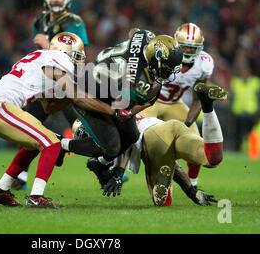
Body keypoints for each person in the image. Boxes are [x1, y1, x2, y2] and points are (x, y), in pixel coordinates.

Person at [0, 32, 120, 208]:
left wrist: (69, 95)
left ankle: (0, 190)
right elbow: (78, 98)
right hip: (0, 105)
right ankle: (36, 197)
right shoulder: (60, 59)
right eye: (77, 57)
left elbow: (48, 107)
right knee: (52, 143)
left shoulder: (42, 58)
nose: (78, 62)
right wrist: (111, 110)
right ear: (69, 52)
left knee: (35, 143)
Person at [58, 30, 184, 180]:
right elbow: (127, 107)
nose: (167, 74)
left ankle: (99, 163)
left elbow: (133, 32)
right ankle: (61, 144)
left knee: (131, 135)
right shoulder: (138, 83)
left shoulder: (145, 36)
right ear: (155, 58)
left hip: (103, 79)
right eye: (165, 68)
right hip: (91, 94)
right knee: (111, 146)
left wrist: (133, 56)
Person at [90, 82, 227, 206]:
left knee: (163, 202)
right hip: (172, 126)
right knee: (212, 158)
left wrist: (118, 174)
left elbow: (125, 141)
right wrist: (191, 191)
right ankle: (208, 106)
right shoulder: (122, 109)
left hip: (151, 138)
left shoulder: (111, 118)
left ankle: (163, 174)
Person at [12, 0, 89, 190]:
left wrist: (48, 45)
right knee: (30, 125)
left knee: (85, 124)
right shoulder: (40, 19)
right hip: (45, 82)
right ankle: (20, 176)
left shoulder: (74, 22)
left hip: (66, 82)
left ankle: (106, 165)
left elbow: (80, 53)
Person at [138, 23, 213, 187]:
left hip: (174, 103)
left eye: (193, 49)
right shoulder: (165, 52)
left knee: (195, 141)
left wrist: (186, 124)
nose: (188, 51)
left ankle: (192, 183)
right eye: (185, 47)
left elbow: (198, 99)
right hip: (152, 101)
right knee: (136, 135)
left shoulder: (204, 64)